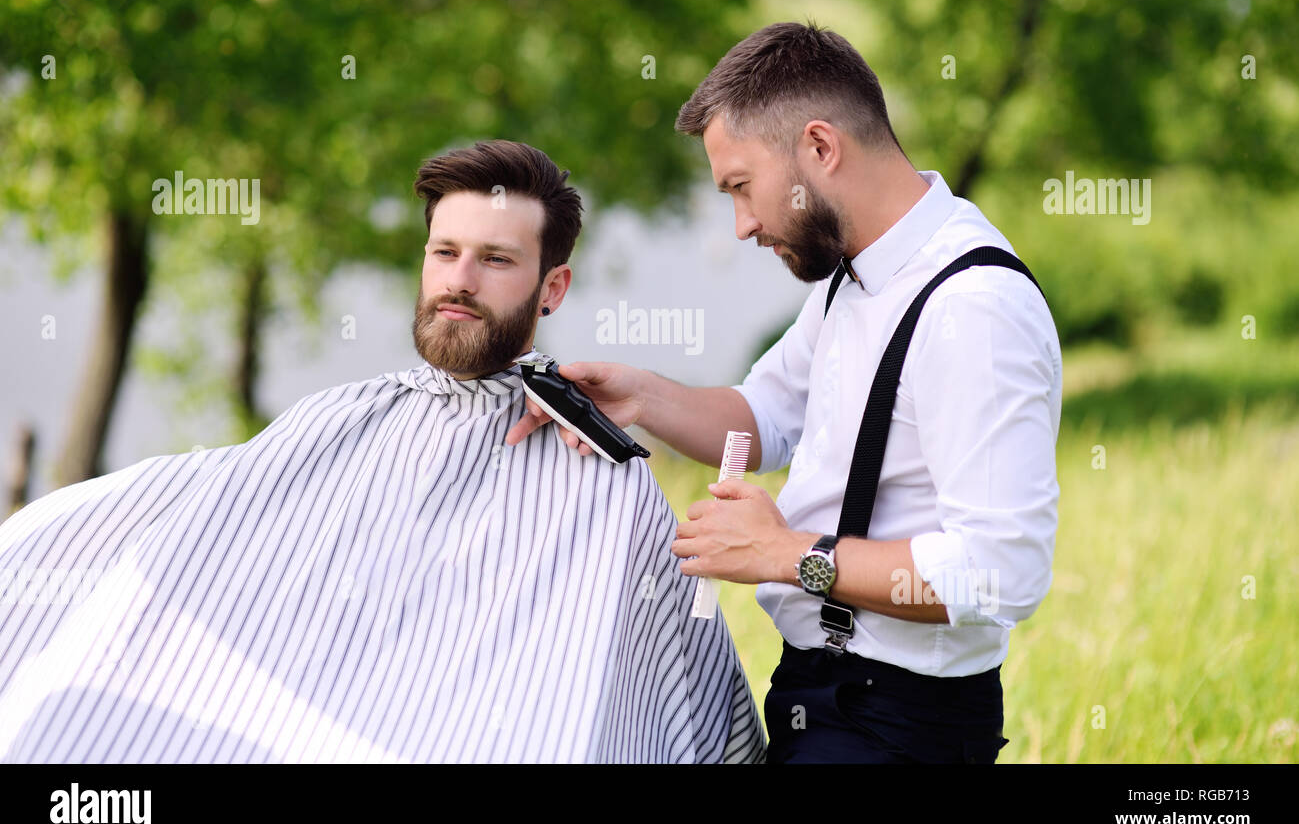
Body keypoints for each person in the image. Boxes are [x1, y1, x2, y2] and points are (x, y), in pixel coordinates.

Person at [0, 139, 765, 764]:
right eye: (445, 252)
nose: (458, 283)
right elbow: (185, 501)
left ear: (552, 287)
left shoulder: (605, 478)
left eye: (495, 261)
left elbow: (681, 698)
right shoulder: (333, 422)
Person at [507, 22, 1062, 764]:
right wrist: (640, 397)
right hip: (820, 694)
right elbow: (763, 419)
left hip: (896, 723)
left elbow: (1003, 571)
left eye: (742, 187)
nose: (740, 225)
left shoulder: (974, 308)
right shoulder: (856, 274)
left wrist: (787, 554)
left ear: (820, 149)